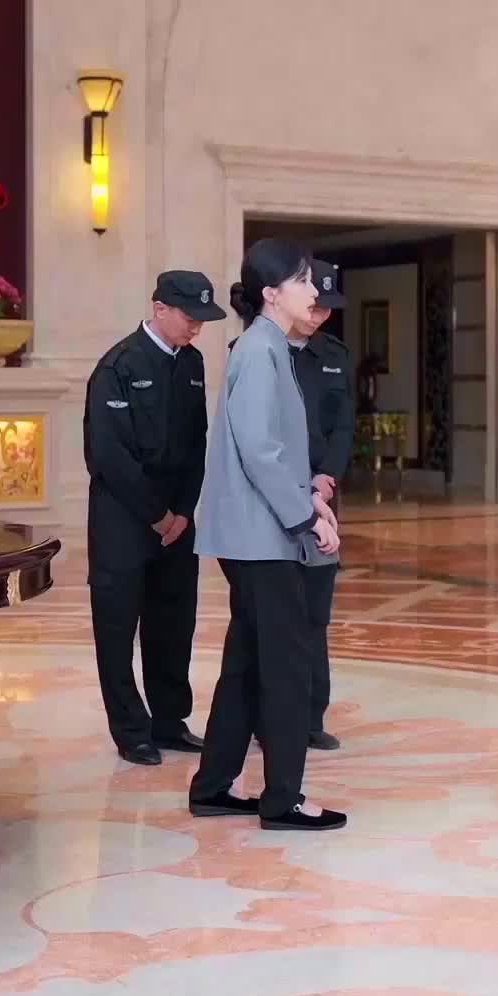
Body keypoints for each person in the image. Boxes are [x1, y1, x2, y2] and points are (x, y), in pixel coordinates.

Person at [189, 237, 348, 832]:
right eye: (303, 281)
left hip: (258, 531)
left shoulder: (268, 346)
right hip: (262, 536)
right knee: (286, 666)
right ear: (271, 294)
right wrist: (305, 515)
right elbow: (259, 449)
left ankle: (213, 786)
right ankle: (283, 799)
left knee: (248, 663)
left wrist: (310, 497)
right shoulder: (260, 351)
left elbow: (274, 446)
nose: (313, 290)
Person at [83, 271, 226, 766]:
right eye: (190, 316)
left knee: (173, 625)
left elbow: (197, 442)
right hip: (124, 520)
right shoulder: (118, 365)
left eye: (203, 319)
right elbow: (108, 455)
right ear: (160, 308)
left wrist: (183, 512)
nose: (197, 327)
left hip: (177, 524)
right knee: (117, 628)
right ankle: (130, 730)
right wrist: (157, 514)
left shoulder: (192, 363)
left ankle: (169, 721)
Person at [293, 259, 354, 749]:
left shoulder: (335, 356)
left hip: (324, 499)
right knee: (269, 616)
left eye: (327, 309)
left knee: (316, 614)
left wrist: (327, 478)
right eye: (314, 306)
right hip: (277, 497)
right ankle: (265, 716)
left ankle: (311, 717)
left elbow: (343, 425)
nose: (319, 316)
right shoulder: (261, 351)